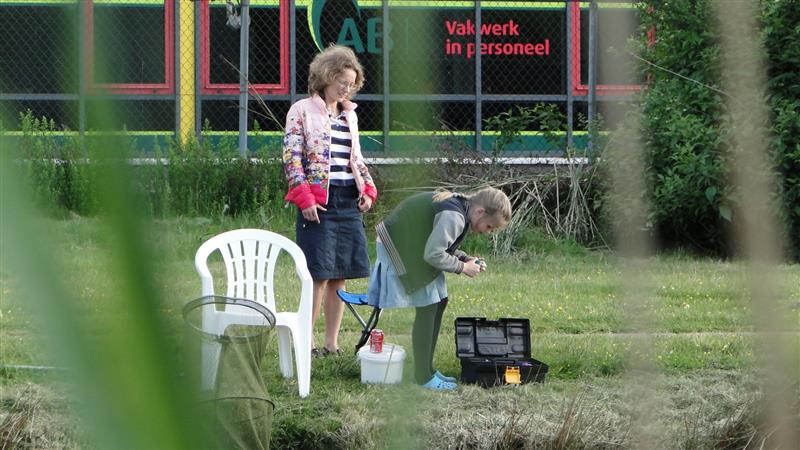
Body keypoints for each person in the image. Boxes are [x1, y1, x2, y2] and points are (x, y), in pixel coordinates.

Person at [282, 45, 378, 357]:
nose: (346, 88)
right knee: (318, 274)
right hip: (318, 202)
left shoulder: (349, 114)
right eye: (342, 82)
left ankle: (331, 343)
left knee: (340, 274)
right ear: (326, 77)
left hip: (348, 199)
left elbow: (356, 158)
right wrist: (304, 198)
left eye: (351, 84)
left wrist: (368, 190)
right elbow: (292, 159)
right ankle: (306, 342)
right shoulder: (301, 110)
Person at [366, 187, 511, 390]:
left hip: (412, 244)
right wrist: (463, 268)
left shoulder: (462, 209)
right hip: (396, 245)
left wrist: (464, 258)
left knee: (440, 301)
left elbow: (440, 244)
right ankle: (423, 377)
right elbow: (434, 254)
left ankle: (428, 370)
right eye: (489, 226)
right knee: (428, 305)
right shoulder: (455, 216)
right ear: (480, 212)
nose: (488, 232)